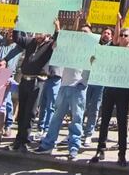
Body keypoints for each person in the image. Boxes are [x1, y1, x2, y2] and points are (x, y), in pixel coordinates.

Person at [34, 24, 94, 160]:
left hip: (79, 87)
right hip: (64, 85)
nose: (83, 34)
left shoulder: (92, 51)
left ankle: (74, 147)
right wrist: (57, 31)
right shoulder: (69, 47)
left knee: (77, 119)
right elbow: (55, 47)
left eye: (86, 32)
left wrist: (85, 79)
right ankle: (48, 144)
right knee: (56, 117)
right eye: (81, 31)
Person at [90, 20, 129, 166]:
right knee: (105, 119)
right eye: (121, 35)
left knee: (122, 122)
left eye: (125, 35)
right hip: (109, 87)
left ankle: (122, 154)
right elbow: (101, 62)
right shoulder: (112, 49)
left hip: (123, 91)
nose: (122, 37)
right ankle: (100, 149)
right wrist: (94, 60)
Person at [6, 18, 59, 152]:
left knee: (30, 112)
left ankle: (25, 140)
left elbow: (58, 41)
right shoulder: (30, 42)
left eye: (41, 32)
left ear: (47, 34)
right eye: (37, 32)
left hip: (37, 82)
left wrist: (57, 29)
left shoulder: (49, 45)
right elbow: (17, 38)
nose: (38, 35)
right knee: (22, 111)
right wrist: (17, 24)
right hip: (24, 80)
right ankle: (18, 139)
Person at [82, 27, 113, 146]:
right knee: (82, 106)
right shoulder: (93, 44)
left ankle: (89, 134)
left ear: (111, 37)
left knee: (94, 107)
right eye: (104, 32)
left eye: (108, 33)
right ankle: (77, 131)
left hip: (100, 82)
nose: (106, 34)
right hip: (88, 79)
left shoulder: (112, 48)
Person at [0, 27, 23, 131]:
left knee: (7, 100)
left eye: (13, 33)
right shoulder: (2, 42)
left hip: (8, 75)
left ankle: (8, 124)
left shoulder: (18, 46)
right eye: (9, 32)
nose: (11, 35)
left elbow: (25, 38)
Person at [37, 64, 62, 135]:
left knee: (50, 106)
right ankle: (41, 128)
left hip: (55, 75)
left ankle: (47, 130)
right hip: (45, 75)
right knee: (43, 104)